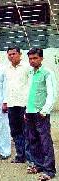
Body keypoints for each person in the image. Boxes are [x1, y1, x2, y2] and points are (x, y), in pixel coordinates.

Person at [25, 48, 57, 180]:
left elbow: (52, 93)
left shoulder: (47, 73)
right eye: (30, 59)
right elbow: (29, 93)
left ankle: (49, 170)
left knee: (45, 141)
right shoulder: (30, 73)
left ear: (41, 58)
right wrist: (26, 110)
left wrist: (45, 110)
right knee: (33, 140)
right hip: (30, 111)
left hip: (41, 113)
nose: (32, 61)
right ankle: (38, 165)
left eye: (35, 58)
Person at [4, 47, 31, 164]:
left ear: (20, 54)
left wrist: (30, 105)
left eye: (14, 54)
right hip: (12, 104)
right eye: (9, 54)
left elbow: (30, 86)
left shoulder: (27, 68)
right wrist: (5, 101)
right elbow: (6, 86)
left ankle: (30, 157)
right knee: (15, 131)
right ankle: (20, 156)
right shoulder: (7, 69)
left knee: (27, 131)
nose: (11, 56)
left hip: (24, 104)